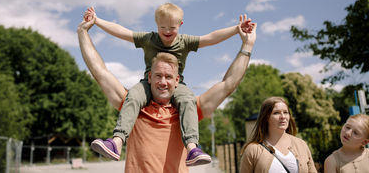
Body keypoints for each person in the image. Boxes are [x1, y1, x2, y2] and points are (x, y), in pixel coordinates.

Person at [77, 15, 256, 173]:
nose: (163, 82)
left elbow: (228, 85)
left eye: (169, 77)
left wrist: (247, 45)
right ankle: (116, 142)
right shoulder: (133, 105)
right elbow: (99, 72)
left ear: (177, 80)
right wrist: (83, 33)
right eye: (158, 76)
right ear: (149, 77)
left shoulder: (189, 110)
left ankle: (194, 147)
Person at [240, 97, 317, 173]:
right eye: (276, 113)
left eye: (285, 112)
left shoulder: (301, 145)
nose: (283, 117)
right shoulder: (253, 150)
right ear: (266, 117)